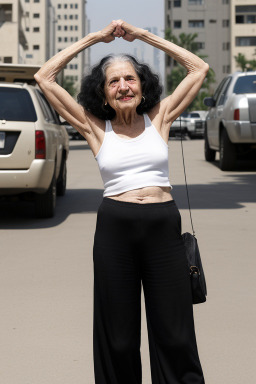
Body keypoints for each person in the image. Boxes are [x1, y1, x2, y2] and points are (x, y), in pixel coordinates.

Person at [34, 20, 209, 384]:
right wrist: (95, 39)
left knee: (175, 333)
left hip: (163, 229)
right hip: (116, 231)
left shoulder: (159, 118)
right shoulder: (96, 127)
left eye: (130, 78)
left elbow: (198, 67)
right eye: (113, 81)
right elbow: (45, 77)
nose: (123, 86)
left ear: (143, 86)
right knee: (119, 336)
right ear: (103, 93)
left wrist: (142, 36)